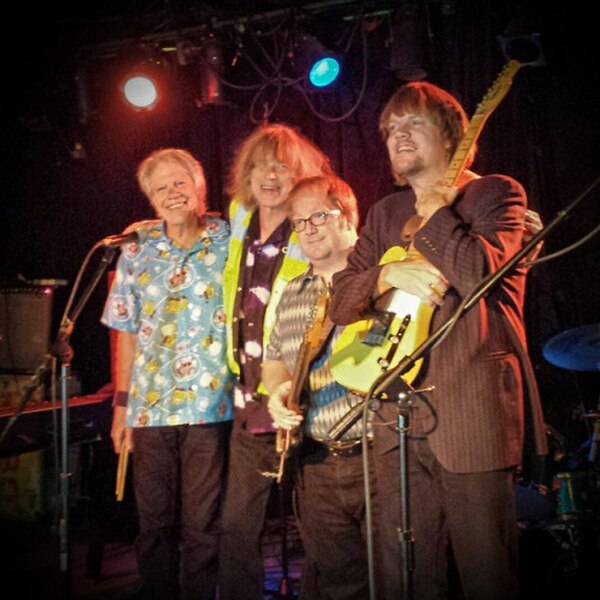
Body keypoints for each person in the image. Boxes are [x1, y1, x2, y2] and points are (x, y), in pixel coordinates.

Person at [328, 81, 549, 599]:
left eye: (413, 125)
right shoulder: (384, 213)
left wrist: (434, 212)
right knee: (404, 568)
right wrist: (387, 276)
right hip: (395, 415)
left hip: (470, 410)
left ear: (453, 135)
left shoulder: (495, 193)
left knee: (485, 571)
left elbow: (479, 275)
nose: (398, 136)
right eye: (391, 129)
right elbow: (340, 300)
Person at [102, 148, 233, 600]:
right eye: (161, 188)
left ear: (200, 188)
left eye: (180, 182)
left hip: (209, 405)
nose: (172, 193)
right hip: (150, 406)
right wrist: (121, 410)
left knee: (203, 524)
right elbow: (127, 333)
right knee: (154, 523)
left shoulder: (227, 238)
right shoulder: (137, 250)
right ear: (150, 200)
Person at [218, 123, 334, 599]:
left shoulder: (308, 228)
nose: (271, 174)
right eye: (262, 165)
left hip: (300, 390)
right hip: (250, 394)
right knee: (238, 523)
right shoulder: (239, 219)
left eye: (283, 166)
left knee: (318, 526)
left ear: (301, 176)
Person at [263, 174, 383, 599]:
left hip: (379, 459)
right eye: (299, 222)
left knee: (399, 579)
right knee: (340, 585)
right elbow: (274, 364)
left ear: (349, 217)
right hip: (316, 467)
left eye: (318, 216)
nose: (308, 229)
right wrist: (278, 395)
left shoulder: (383, 277)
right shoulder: (292, 293)